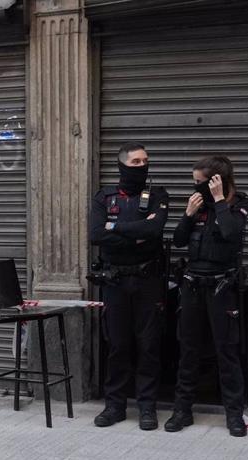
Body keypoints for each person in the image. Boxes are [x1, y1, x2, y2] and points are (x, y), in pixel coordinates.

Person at [165, 156, 248, 437]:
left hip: (221, 287)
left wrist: (219, 201)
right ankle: (182, 410)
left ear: (217, 180)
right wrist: (188, 215)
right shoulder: (196, 204)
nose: (195, 187)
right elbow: (178, 241)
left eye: (200, 182)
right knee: (188, 349)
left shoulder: (238, 204)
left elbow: (230, 234)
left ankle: (234, 414)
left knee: (226, 350)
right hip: (192, 286)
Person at [88, 142, 170, 430]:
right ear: (122, 165)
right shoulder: (104, 197)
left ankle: (147, 408)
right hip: (116, 282)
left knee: (149, 345)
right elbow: (96, 234)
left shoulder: (158, 195)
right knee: (118, 345)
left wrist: (116, 227)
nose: (142, 166)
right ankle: (115, 406)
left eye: (145, 161)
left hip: (148, 281)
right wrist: (135, 232)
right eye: (136, 162)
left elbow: (154, 230)